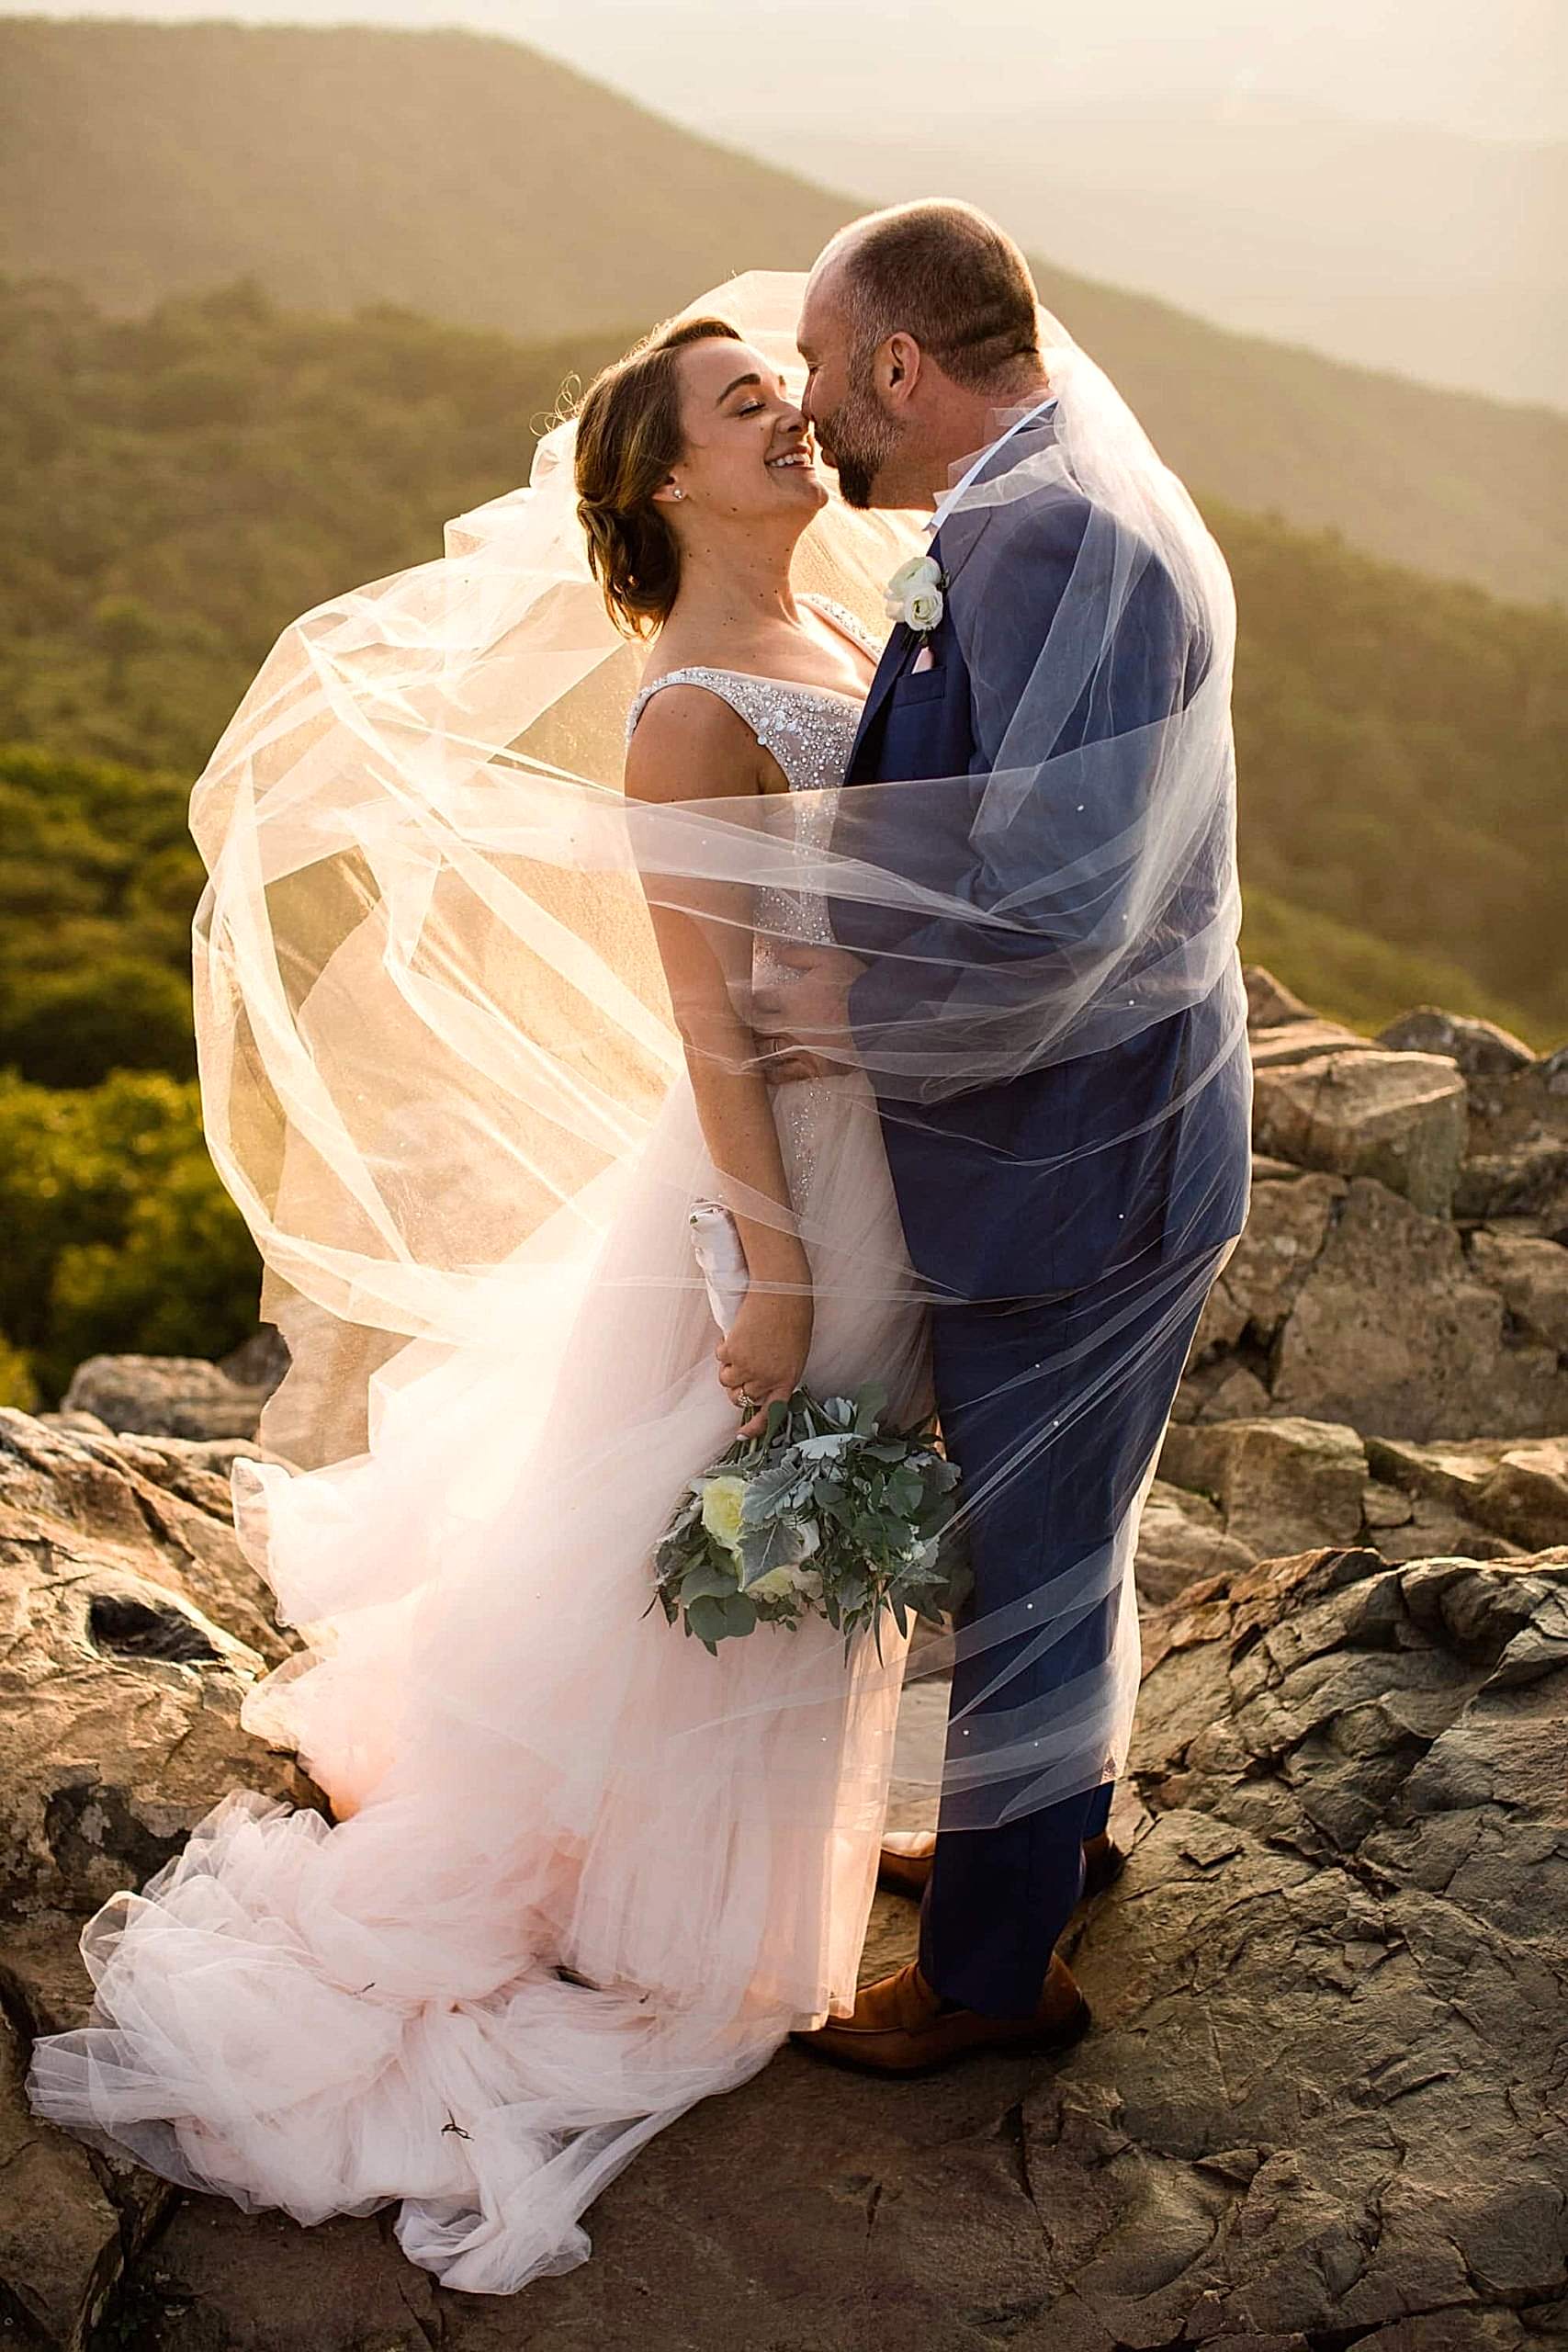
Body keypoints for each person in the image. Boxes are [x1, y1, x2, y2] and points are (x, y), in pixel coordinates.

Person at [755, 201, 1254, 2072]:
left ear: (898, 362)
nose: (813, 416)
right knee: (1068, 1525)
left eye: (820, 371)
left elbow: (1055, 912)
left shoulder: (1043, 530)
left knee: (1028, 1551)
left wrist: (833, 1007)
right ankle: (1044, 1834)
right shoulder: (1054, 488)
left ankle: (985, 1976)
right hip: (1111, 1130)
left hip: (1075, 1153)